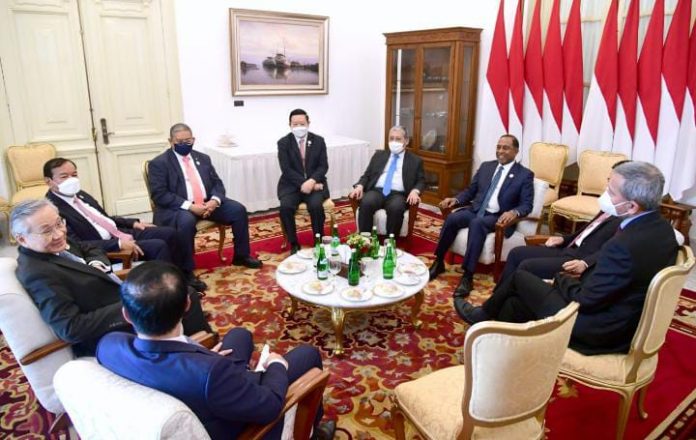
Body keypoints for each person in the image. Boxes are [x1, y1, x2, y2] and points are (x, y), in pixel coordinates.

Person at [457, 162, 679, 355]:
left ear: (632, 206)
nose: (604, 195)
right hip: (619, 314)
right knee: (516, 303)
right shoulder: (663, 230)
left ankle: (484, 318)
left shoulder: (623, 245)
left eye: (611, 192)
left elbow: (586, 299)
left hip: (595, 328)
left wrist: (560, 278)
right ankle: (499, 347)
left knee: (521, 278)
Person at [97, 261, 335, 440]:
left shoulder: (108, 345)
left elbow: (176, 365)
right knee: (307, 354)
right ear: (187, 306)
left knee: (240, 335)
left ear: (126, 314)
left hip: (198, 383)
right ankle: (313, 430)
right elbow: (269, 406)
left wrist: (196, 354)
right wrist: (275, 365)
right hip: (231, 419)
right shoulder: (212, 374)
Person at [12, 199, 212, 357]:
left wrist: (97, 263)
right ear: (21, 238)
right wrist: (134, 305)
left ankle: (195, 341)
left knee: (177, 289)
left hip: (117, 296)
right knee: (185, 295)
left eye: (59, 223)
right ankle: (201, 353)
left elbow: (88, 247)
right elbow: (70, 328)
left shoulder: (52, 243)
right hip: (110, 334)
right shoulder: (38, 273)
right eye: (47, 230)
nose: (59, 234)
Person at [43, 158, 206, 292]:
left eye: (74, 174)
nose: (71, 180)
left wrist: (134, 223)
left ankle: (185, 275)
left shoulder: (80, 194)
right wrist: (119, 244)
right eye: (64, 177)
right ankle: (170, 291)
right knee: (159, 245)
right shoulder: (53, 210)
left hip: (117, 232)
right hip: (105, 246)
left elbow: (105, 218)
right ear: (49, 181)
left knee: (170, 233)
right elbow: (77, 244)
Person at [428, 134, 534, 297]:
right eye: (498, 147)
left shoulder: (524, 174)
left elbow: (527, 204)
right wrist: (455, 199)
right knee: (453, 218)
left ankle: (467, 276)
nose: (500, 151)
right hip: (476, 209)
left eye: (505, 148)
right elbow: (471, 191)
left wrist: (514, 212)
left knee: (477, 224)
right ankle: (439, 261)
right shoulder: (486, 167)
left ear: (516, 151)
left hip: (498, 216)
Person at [148, 123, 261, 269]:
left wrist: (214, 200)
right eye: (179, 142)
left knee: (238, 210)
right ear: (170, 141)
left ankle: (241, 255)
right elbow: (159, 194)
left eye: (188, 141)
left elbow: (217, 184)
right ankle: (187, 271)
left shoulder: (203, 158)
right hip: (180, 208)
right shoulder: (159, 163)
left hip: (207, 203)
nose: (184, 144)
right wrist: (191, 207)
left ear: (193, 139)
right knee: (186, 222)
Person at [348, 126, 425, 236]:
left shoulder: (415, 160)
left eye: (398, 139)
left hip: (398, 194)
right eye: (391, 138)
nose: (394, 142)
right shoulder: (379, 155)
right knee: (366, 202)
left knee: (396, 208)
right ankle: (365, 240)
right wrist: (360, 186)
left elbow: (421, 180)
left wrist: (415, 191)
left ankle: (390, 243)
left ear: (406, 141)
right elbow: (367, 175)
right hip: (377, 191)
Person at [277, 109, 330, 254]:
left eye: (302, 123)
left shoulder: (318, 141)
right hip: (291, 185)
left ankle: (318, 240)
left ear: (308, 123)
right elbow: (286, 169)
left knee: (315, 205)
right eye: (295, 124)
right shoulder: (283, 143)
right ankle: (293, 243)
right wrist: (304, 183)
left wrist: (311, 181)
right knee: (286, 207)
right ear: (290, 125)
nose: (299, 126)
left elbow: (323, 166)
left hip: (315, 182)